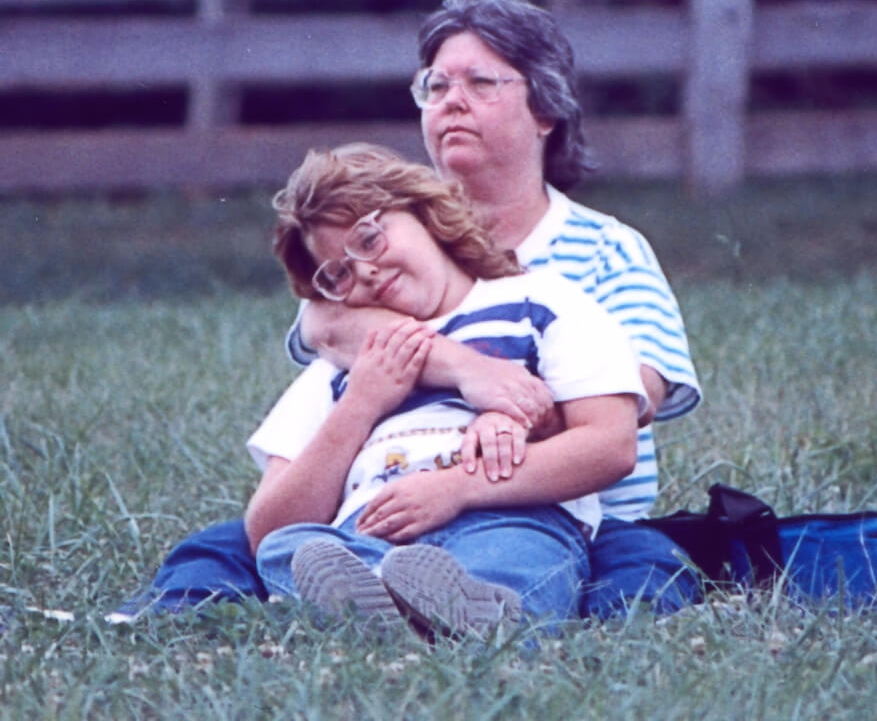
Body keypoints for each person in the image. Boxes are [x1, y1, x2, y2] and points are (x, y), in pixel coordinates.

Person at [113, 0, 702, 623]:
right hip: (382, 506)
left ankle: (502, 617)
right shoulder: (371, 269)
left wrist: (508, 422)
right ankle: (194, 617)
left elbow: (633, 402)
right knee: (235, 546)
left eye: (481, 83)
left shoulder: (604, 252)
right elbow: (325, 324)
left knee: (637, 570)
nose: (452, 101)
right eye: (436, 86)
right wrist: (469, 370)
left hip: (566, 505)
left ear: (545, 110)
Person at [245, 142, 645, 636]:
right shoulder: (343, 364)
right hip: (367, 534)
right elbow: (267, 528)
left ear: (423, 212)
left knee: (515, 562)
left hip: (508, 515)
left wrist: (456, 489)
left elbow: (610, 446)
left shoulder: (539, 302)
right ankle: (386, 606)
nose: (364, 271)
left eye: (369, 239)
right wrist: (361, 404)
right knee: (290, 548)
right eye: (339, 274)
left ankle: (459, 620)